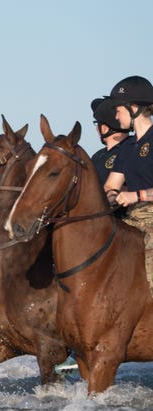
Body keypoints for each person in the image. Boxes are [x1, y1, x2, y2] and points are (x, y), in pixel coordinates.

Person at [103, 75, 153, 289]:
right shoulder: (127, 148)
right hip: (131, 218)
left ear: (134, 108)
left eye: (118, 109)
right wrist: (113, 196)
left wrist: (137, 195)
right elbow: (110, 185)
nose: (115, 115)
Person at [90, 97, 130, 188]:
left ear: (104, 128)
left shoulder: (130, 151)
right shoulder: (97, 156)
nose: (96, 128)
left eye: (97, 123)